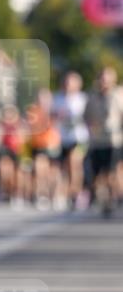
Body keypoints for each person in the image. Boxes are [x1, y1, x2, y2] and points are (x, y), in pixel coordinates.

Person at [84, 66, 123, 216]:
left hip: (114, 140)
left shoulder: (118, 94)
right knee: (98, 173)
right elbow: (86, 116)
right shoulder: (92, 96)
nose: (104, 81)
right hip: (97, 141)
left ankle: (114, 197)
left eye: (107, 78)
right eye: (102, 78)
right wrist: (91, 128)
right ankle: (104, 199)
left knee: (112, 172)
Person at [52, 71, 89, 210]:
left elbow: (90, 117)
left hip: (79, 138)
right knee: (64, 168)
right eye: (66, 82)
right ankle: (65, 193)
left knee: (75, 163)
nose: (68, 85)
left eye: (71, 82)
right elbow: (52, 116)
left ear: (78, 84)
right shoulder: (57, 98)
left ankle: (76, 193)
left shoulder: (83, 98)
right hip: (62, 138)